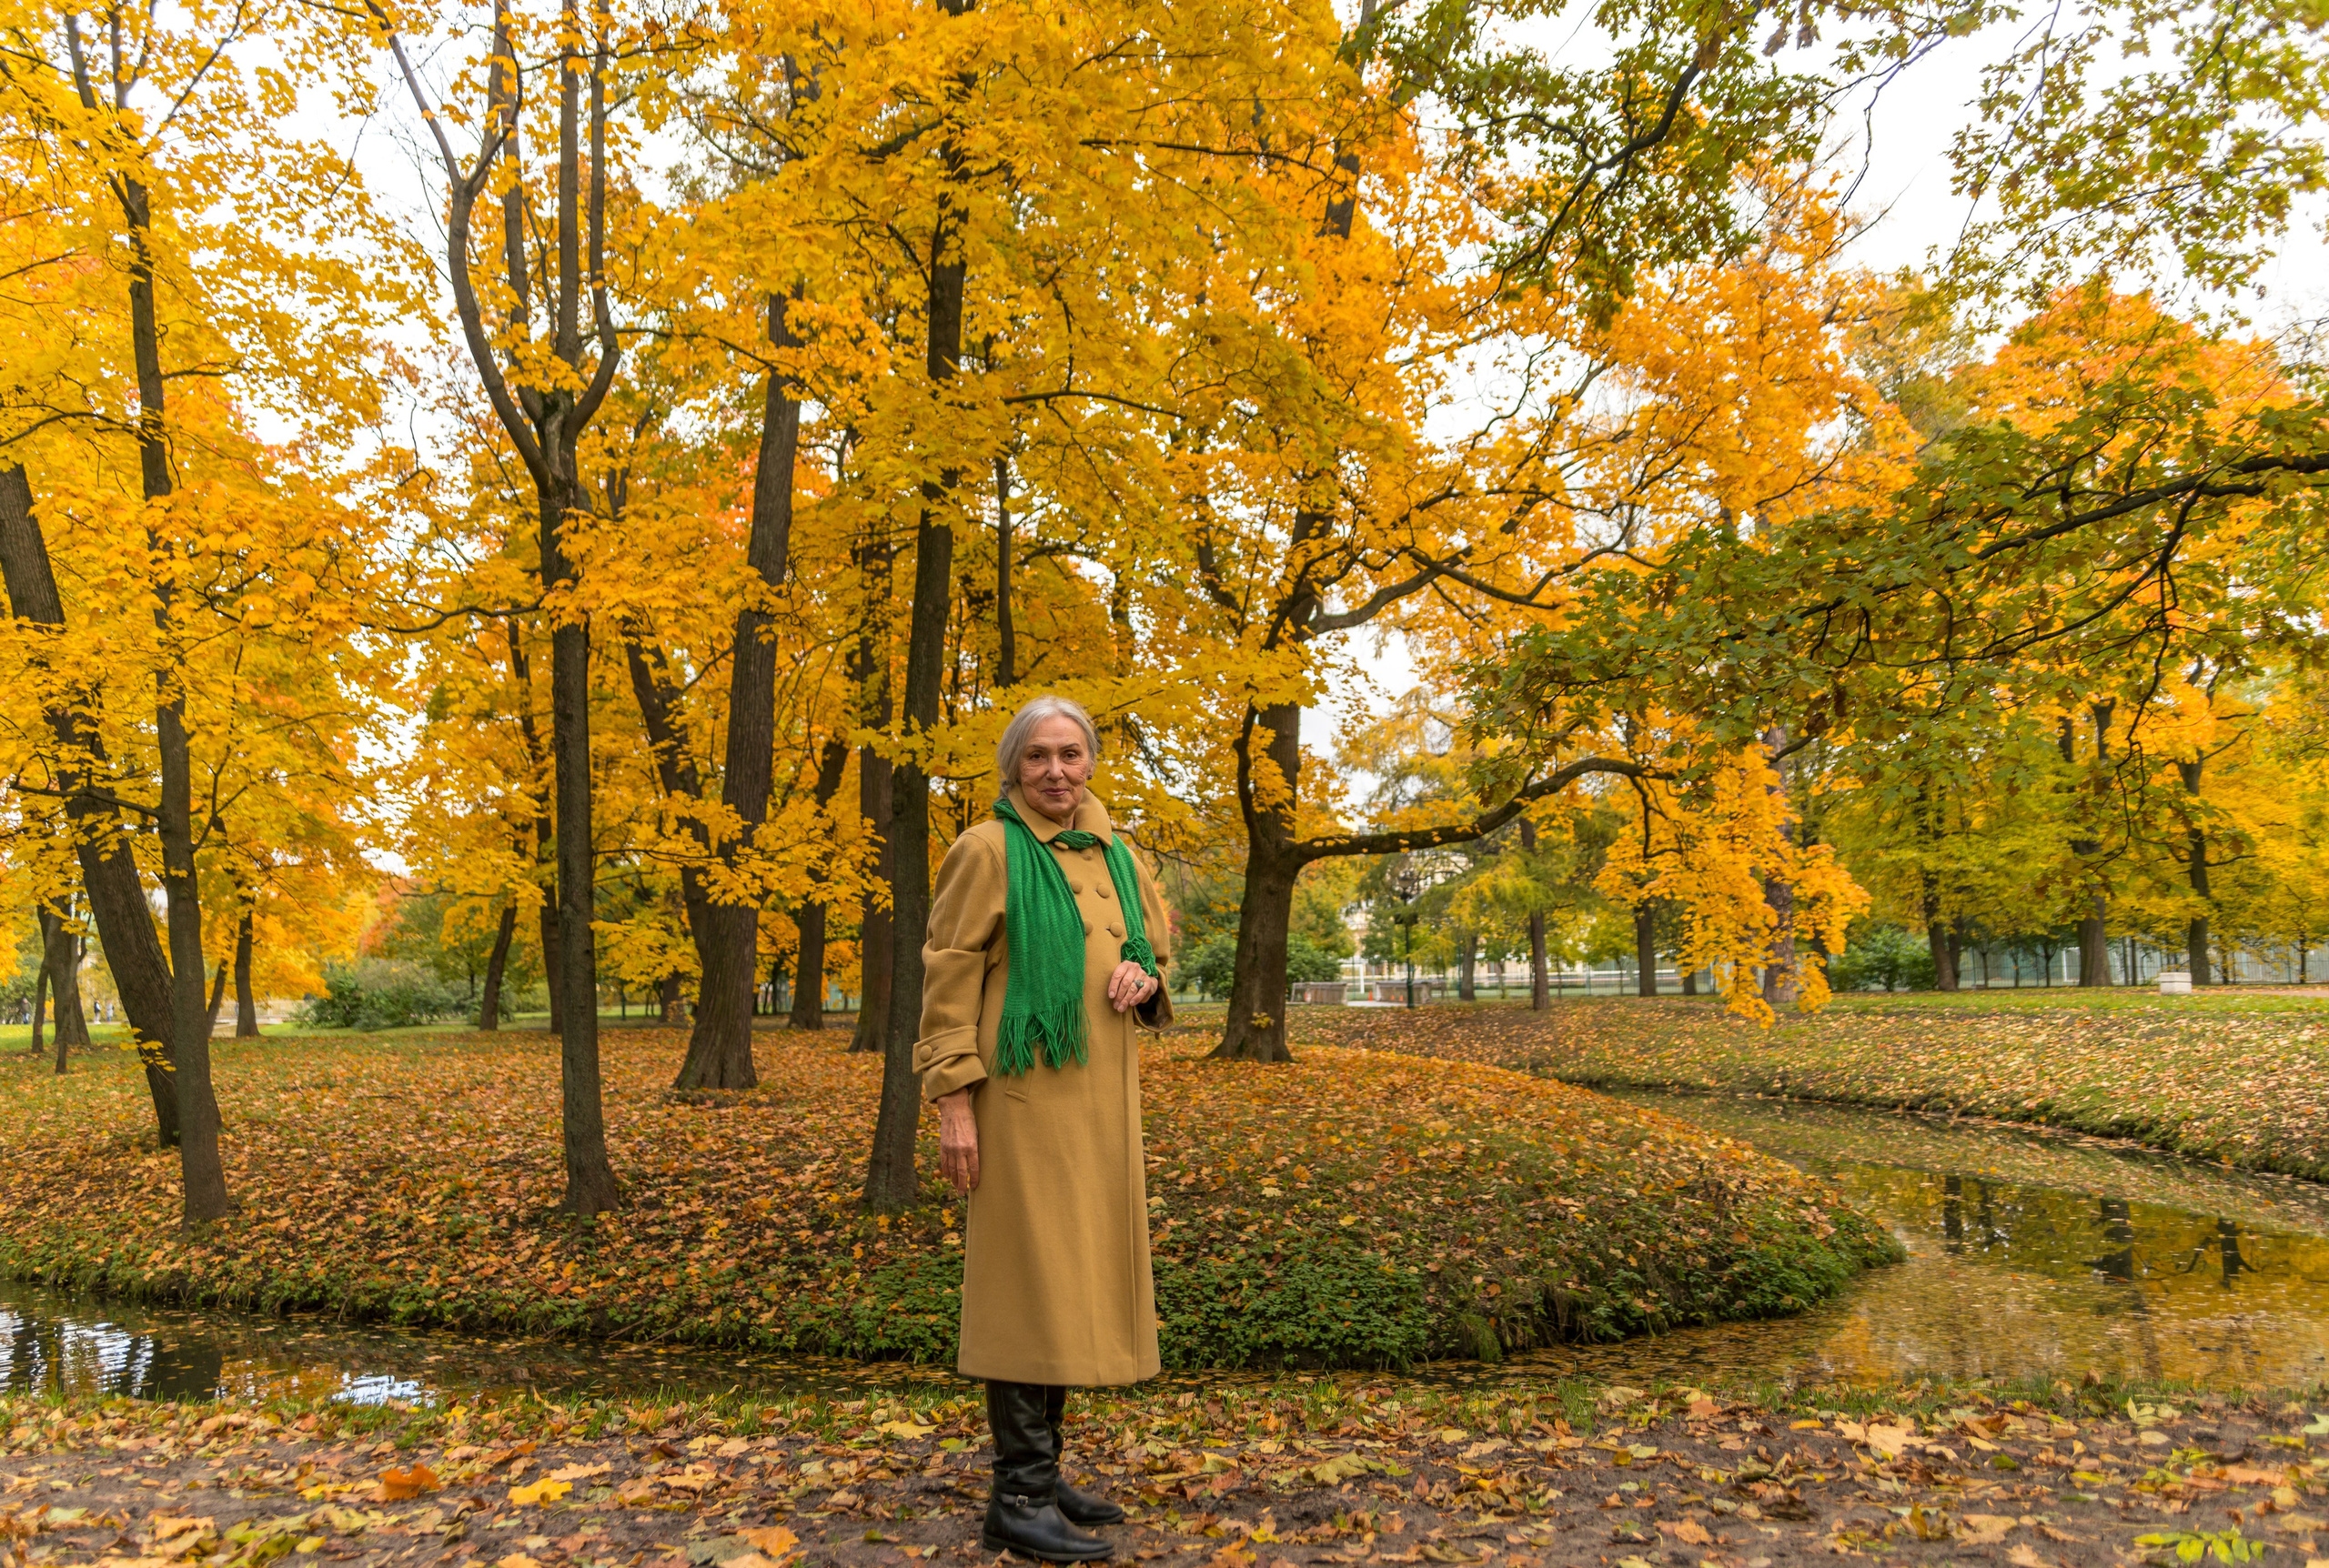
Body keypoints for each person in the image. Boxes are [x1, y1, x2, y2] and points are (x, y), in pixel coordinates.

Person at [914, 694, 1174, 1563]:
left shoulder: (1118, 851)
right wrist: (955, 1102)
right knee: (1028, 1282)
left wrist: (1143, 972)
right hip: (1021, 1101)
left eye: (1070, 754)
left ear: (1091, 761)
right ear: (1013, 768)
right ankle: (1017, 1495)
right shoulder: (986, 851)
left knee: (1070, 1279)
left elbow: (1156, 946)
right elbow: (947, 978)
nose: (1056, 771)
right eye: (1037, 757)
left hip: (1101, 1103)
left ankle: (1045, 1470)